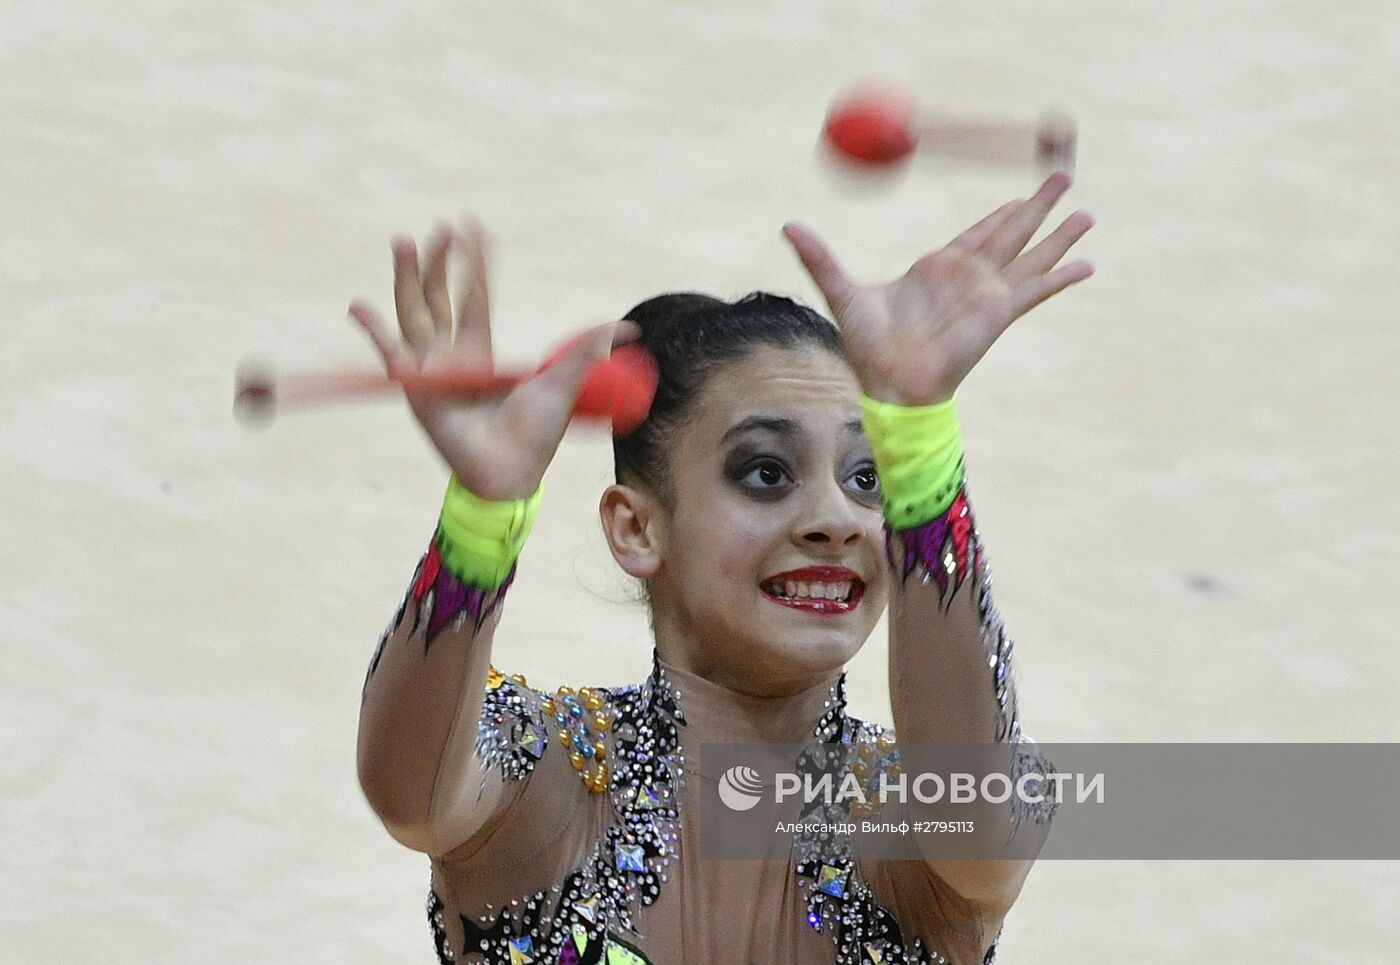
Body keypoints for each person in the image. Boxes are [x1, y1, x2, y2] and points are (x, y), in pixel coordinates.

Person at [350, 172, 1094, 964]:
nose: (835, 519)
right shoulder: (550, 774)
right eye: (767, 472)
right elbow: (407, 792)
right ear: (637, 527)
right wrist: (481, 518)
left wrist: (919, 435)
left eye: (869, 479)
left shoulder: (906, 817)